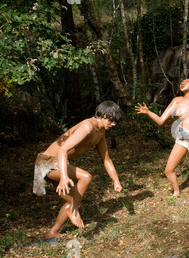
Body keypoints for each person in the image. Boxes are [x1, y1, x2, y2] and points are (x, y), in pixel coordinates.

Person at [32, 101, 123, 239]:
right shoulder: (87, 126)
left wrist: (116, 181)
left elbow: (106, 159)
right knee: (86, 177)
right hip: (47, 162)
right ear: (105, 115)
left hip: (60, 163)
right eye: (112, 120)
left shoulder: (100, 133)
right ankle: (74, 210)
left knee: (72, 200)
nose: (114, 124)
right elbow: (62, 150)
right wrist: (63, 177)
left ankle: (52, 232)